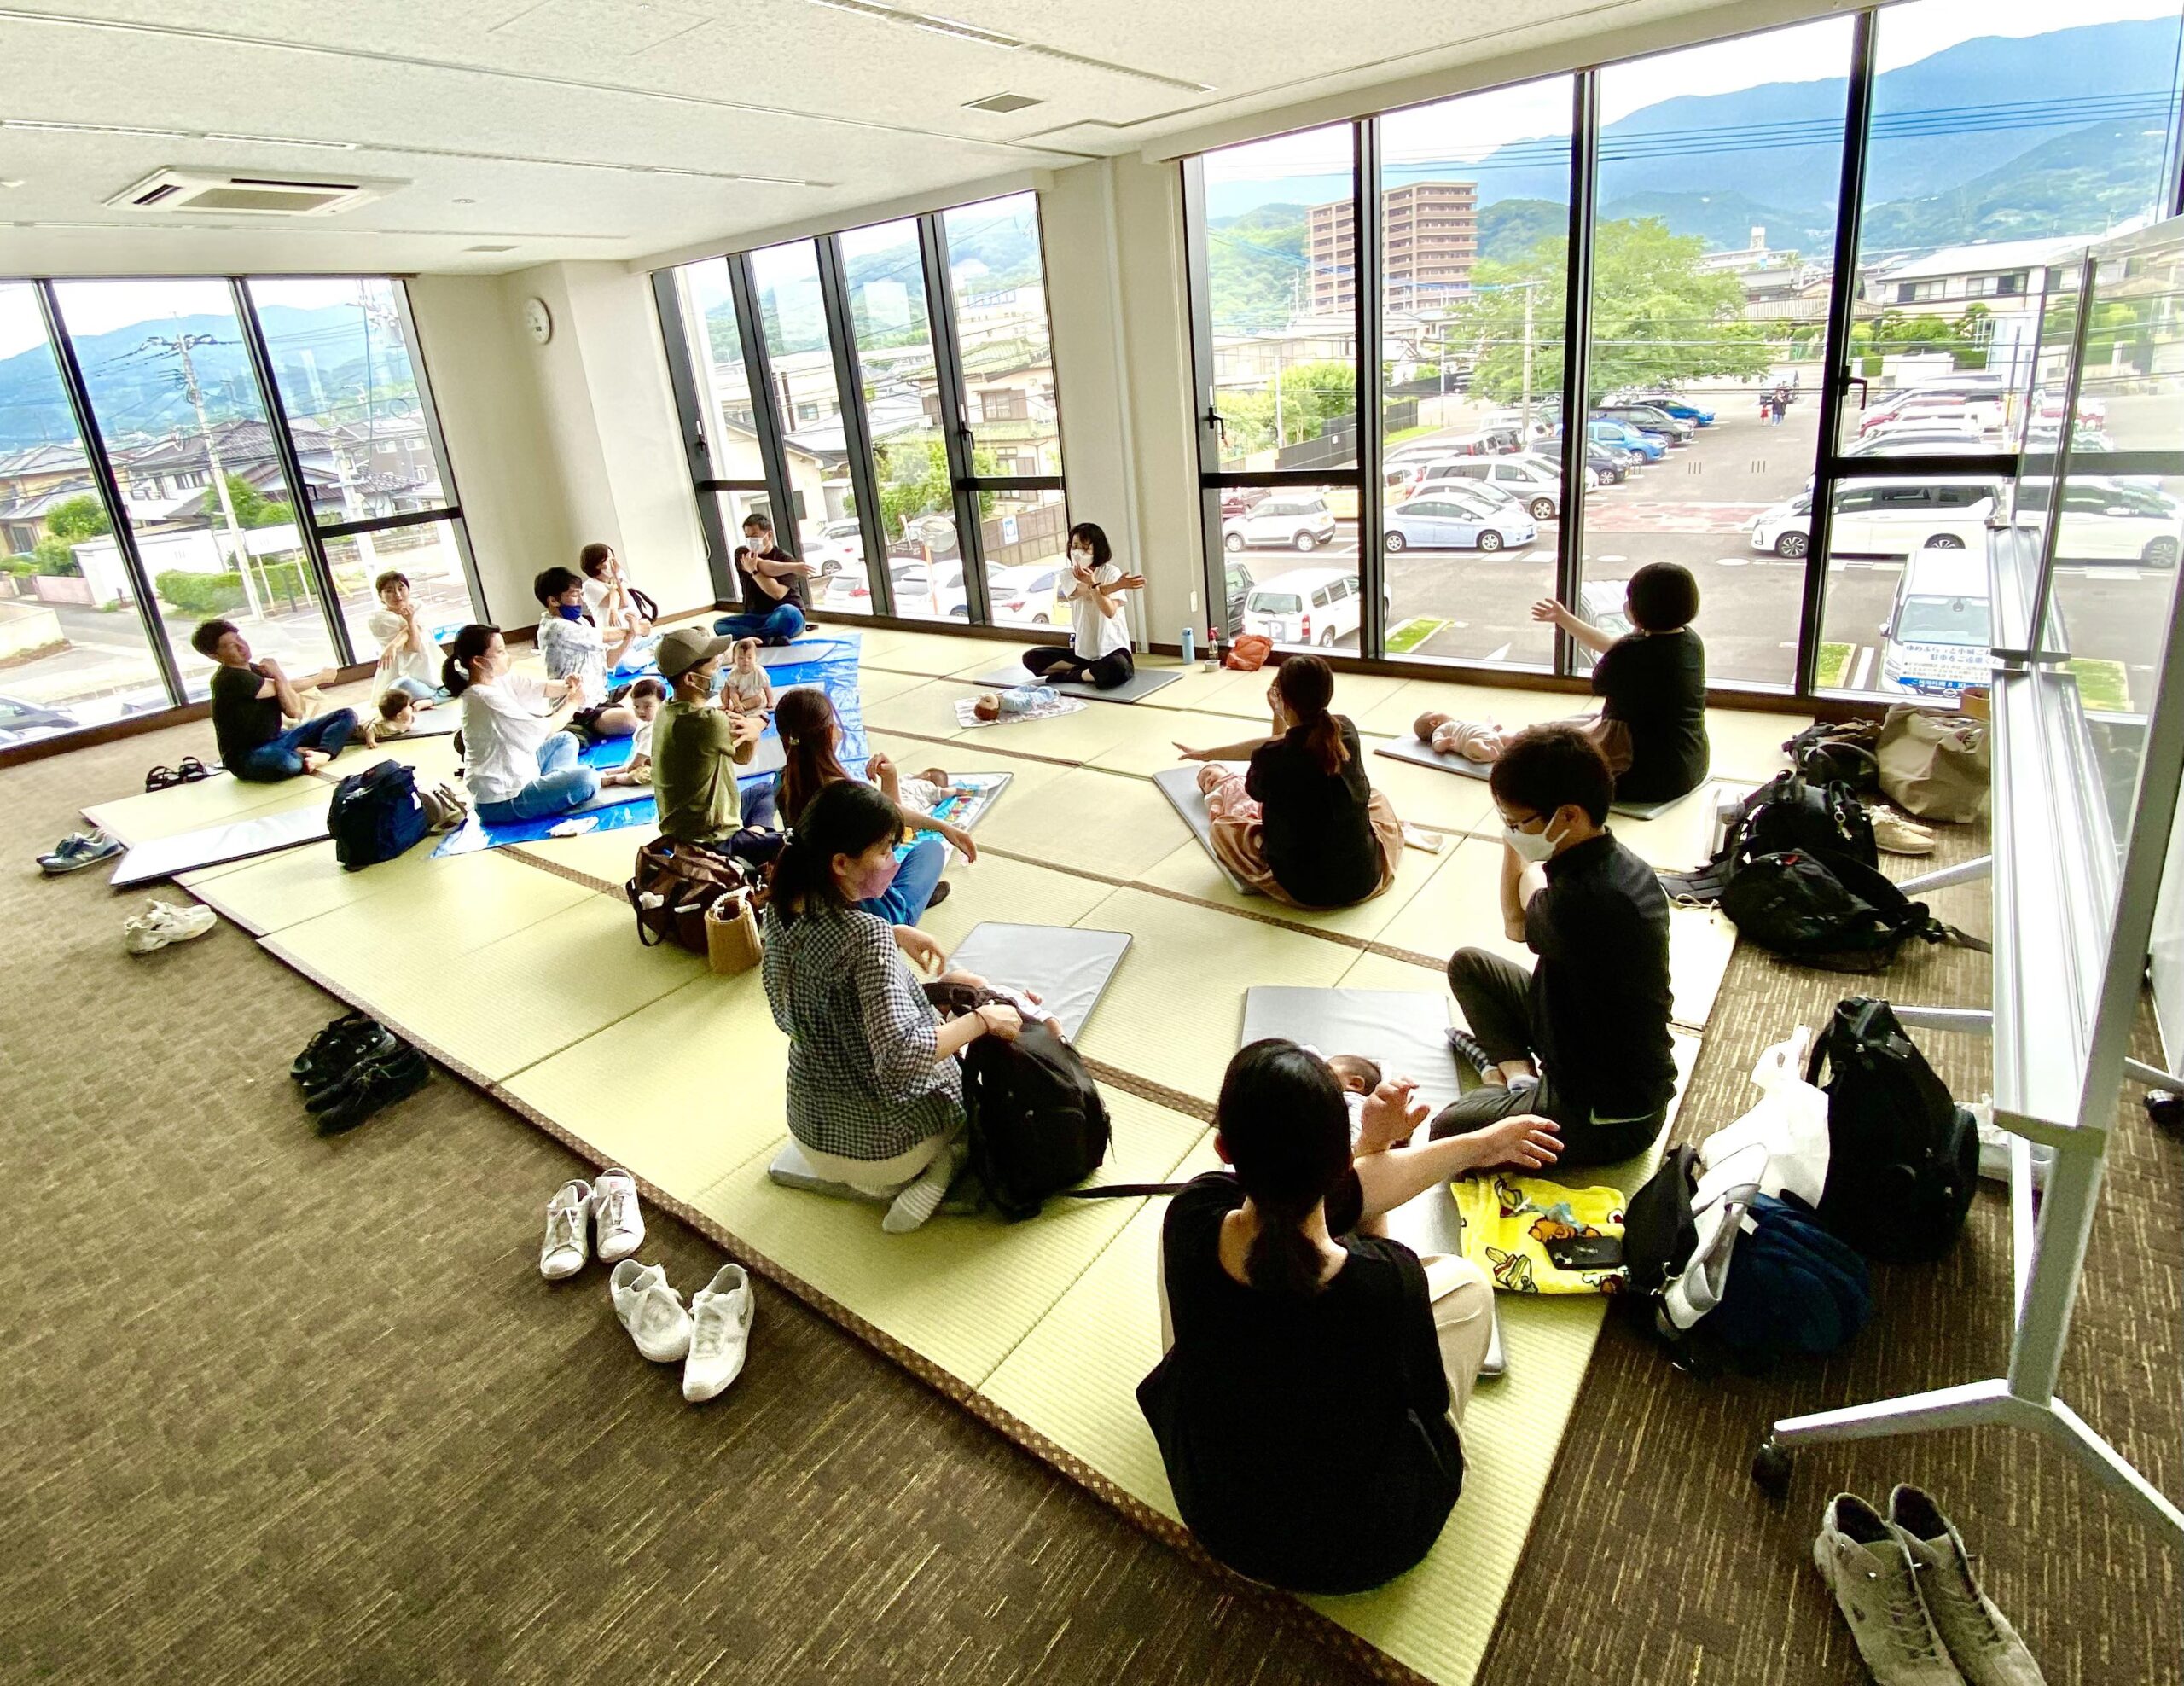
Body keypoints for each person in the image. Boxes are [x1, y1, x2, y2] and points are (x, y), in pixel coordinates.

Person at [1136, 1038, 1499, 1595]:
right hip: (1370, 1548)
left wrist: (1382, 1146)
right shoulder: (1384, 1280)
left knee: (1182, 1266)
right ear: (1341, 1163)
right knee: (1468, 1285)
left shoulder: (1193, 1211)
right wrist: (1389, 1147)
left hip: (1221, 1522)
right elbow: (1420, 1404)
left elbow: (1316, 1210)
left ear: (1223, 1148)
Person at [763, 778, 1024, 1234]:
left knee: (953, 989)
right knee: (983, 1095)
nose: (892, 861)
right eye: (884, 851)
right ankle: (942, 1166)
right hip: (887, 1150)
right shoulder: (866, 938)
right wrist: (982, 1021)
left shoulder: (781, 909)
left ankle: (886, 1178)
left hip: (809, 1132)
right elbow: (902, 1058)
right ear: (841, 863)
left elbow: (799, 1008)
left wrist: (895, 933)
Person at [1432, 724, 1677, 1168]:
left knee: (1447, 1129)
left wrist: (1511, 846)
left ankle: (1510, 1089)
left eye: (1517, 822)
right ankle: (1520, 1081)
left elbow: (1514, 922)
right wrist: (1518, 833)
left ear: (1568, 815)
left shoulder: (1583, 904)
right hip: (1575, 1033)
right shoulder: (1615, 861)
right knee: (1469, 966)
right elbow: (1530, 894)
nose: (1511, 831)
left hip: (1609, 1115)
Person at [1174, 654, 1403, 910]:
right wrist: (1209, 753)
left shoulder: (1271, 757)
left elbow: (1270, 769)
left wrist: (1277, 715)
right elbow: (1287, 744)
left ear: (1284, 699)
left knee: (1222, 830)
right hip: (1364, 877)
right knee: (1376, 798)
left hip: (1305, 889)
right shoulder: (1345, 730)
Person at [774, 689, 970, 923]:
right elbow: (894, 833)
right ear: (829, 732)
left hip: (824, 899)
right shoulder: (844, 794)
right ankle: (911, 904)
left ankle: (913, 894)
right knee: (931, 850)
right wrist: (941, 825)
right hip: (877, 911)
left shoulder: (782, 784)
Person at [1531, 561, 1709, 804]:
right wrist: (1564, 618)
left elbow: (1600, 683)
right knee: (1576, 725)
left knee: (1549, 754)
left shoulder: (1632, 651)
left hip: (1644, 777)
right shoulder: (1690, 641)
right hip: (1691, 763)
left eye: (1630, 599)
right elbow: (1613, 646)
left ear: (1640, 608)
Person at [649, 627, 781, 868]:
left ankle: (756, 835)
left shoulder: (666, 710)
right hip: (713, 841)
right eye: (713, 668)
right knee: (799, 847)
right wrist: (756, 729)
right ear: (691, 679)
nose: (720, 673)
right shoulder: (707, 721)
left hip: (679, 832)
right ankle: (749, 850)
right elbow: (744, 756)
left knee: (764, 790)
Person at [442, 624, 600, 824]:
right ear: (479, 661)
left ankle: (553, 788)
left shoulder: (495, 681)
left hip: (523, 772)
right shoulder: (485, 699)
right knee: (587, 779)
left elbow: (539, 688)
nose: (506, 656)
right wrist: (574, 702)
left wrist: (569, 685)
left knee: (566, 740)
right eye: (500, 652)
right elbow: (547, 729)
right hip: (502, 800)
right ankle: (554, 790)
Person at [192, 619, 363, 782]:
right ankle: (304, 752)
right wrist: (318, 678)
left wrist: (279, 677)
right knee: (287, 763)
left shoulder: (254, 669)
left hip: (279, 737)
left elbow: (294, 711)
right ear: (214, 656)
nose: (241, 646)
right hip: (247, 756)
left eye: (239, 638)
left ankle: (322, 754)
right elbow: (283, 686)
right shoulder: (229, 679)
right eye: (231, 645)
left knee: (345, 715)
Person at [1023, 522, 1145, 689]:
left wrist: (1098, 584)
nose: (1078, 552)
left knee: (1118, 668)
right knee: (1031, 658)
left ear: (1098, 549)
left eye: (1085, 548)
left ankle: (1073, 676)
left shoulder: (1111, 572)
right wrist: (1116, 586)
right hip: (1083, 653)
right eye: (1074, 547)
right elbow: (1085, 591)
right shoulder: (1067, 574)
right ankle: (1090, 673)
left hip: (1113, 651)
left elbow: (1109, 611)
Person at [535, 567, 641, 740]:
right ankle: (579, 725)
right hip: (578, 708)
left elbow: (609, 660)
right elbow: (605, 635)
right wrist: (635, 629)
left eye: (580, 595)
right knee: (629, 721)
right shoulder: (554, 628)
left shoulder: (580, 621)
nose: (580, 601)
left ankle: (617, 711)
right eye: (574, 595)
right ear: (553, 600)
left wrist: (631, 636)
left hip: (599, 697)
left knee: (642, 688)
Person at [712, 514, 810, 644]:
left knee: (787, 614)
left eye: (754, 536)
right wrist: (792, 567)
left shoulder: (785, 558)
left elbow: (777, 593)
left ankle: (761, 637)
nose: (750, 540)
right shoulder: (743, 553)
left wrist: (754, 572)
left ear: (769, 535)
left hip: (785, 614)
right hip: (757, 617)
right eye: (747, 537)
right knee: (720, 626)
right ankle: (770, 637)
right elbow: (762, 565)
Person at [366, 571, 441, 706]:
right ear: (380, 596)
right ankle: (435, 697)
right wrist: (410, 623)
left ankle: (434, 698)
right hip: (402, 674)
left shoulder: (417, 607)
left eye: (401, 588)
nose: (397, 595)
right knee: (404, 689)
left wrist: (394, 643)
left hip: (431, 667)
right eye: (389, 591)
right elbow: (412, 647)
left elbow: (413, 631)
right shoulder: (379, 619)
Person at [600, 678, 667, 788]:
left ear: (662, 704)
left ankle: (614, 778)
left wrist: (631, 767)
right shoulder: (646, 721)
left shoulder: (654, 728)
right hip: (648, 760)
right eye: (636, 706)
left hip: (661, 766)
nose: (641, 711)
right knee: (632, 765)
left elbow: (640, 757)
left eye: (647, 706)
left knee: (636, 775)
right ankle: (617, 771)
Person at [578, 542, 654, 635]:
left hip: (637, 629)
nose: (614, 562)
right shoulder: (589, 587)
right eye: (609, 558)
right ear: (598, 565)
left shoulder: (620, 574)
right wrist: (616, 578)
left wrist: (616, 577)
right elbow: (623, 603)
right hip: (615, 635)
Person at [723, 638, 773, 718]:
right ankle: (728, 705)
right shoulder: (733, 674)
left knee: (759, 699)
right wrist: (736, 703)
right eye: (741, 658)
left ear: (755, 658)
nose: (746, 660)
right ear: (734, 658)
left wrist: (770, 701)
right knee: (725, 686)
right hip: (741, 698)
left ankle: (742, 707)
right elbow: (733, 692)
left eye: (750, 658)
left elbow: (767, 688)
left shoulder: (759, 672)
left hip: (755, 697)